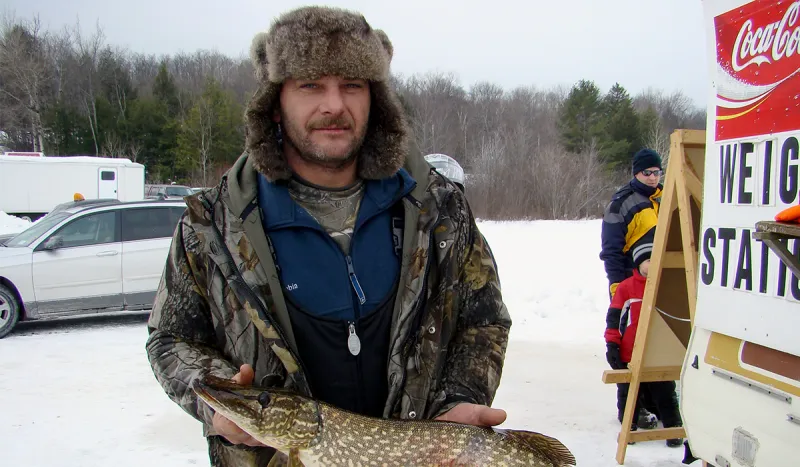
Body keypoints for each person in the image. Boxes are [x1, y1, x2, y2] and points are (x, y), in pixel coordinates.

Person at [145, 6, 511, 467]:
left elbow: (483, 320)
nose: (334, 105)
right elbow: (170, 339)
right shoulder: (213, 225)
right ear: (275, 102)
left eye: (352, 85)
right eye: (311, 84)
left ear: (374, 100)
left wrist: (457, 398)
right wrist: (220, 400)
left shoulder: (439, 209)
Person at [599, 148, 664, 429]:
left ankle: (653, 402)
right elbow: (611, 249)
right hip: (630, 284)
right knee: (629, 348)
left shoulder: (663, 197)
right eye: (646, 172)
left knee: (656, 344)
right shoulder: (622, 202)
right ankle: (630, 408)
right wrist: (616, 285)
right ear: (636, 173)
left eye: (656, 172)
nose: (652, 177)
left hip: (661, 283)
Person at [604, 252, 684, 448]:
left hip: (658, 352)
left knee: (664, 390)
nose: (653, 263)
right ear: (639, 263)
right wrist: (612, 343)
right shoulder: (626, 287)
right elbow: (614, 318)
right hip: (629, 351)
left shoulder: (664, 287)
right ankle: (628, 427)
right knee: (628, 391)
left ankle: (673, 427)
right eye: (649, 260)